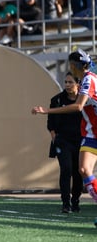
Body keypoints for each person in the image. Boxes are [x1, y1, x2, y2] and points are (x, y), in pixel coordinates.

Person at [31, 49, 97, 204]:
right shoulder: (83, 80)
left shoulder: (88, 79)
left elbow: (78, 106)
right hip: (91, 132)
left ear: (74, 66)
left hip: (93, 131)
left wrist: (47, 111)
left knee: (83, 170)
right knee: (83, 169)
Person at [47, 72, 83, 213]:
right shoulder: (57, 100)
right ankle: (65, 203)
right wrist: (54, 137)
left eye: (70, 82)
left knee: (78, 171)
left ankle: (75, 201)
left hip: (81, 140)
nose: (67, 85)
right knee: (66, 169)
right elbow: (50, 122)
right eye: (66, 82)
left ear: (78, 84)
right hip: (63, 141)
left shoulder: (84, 100)